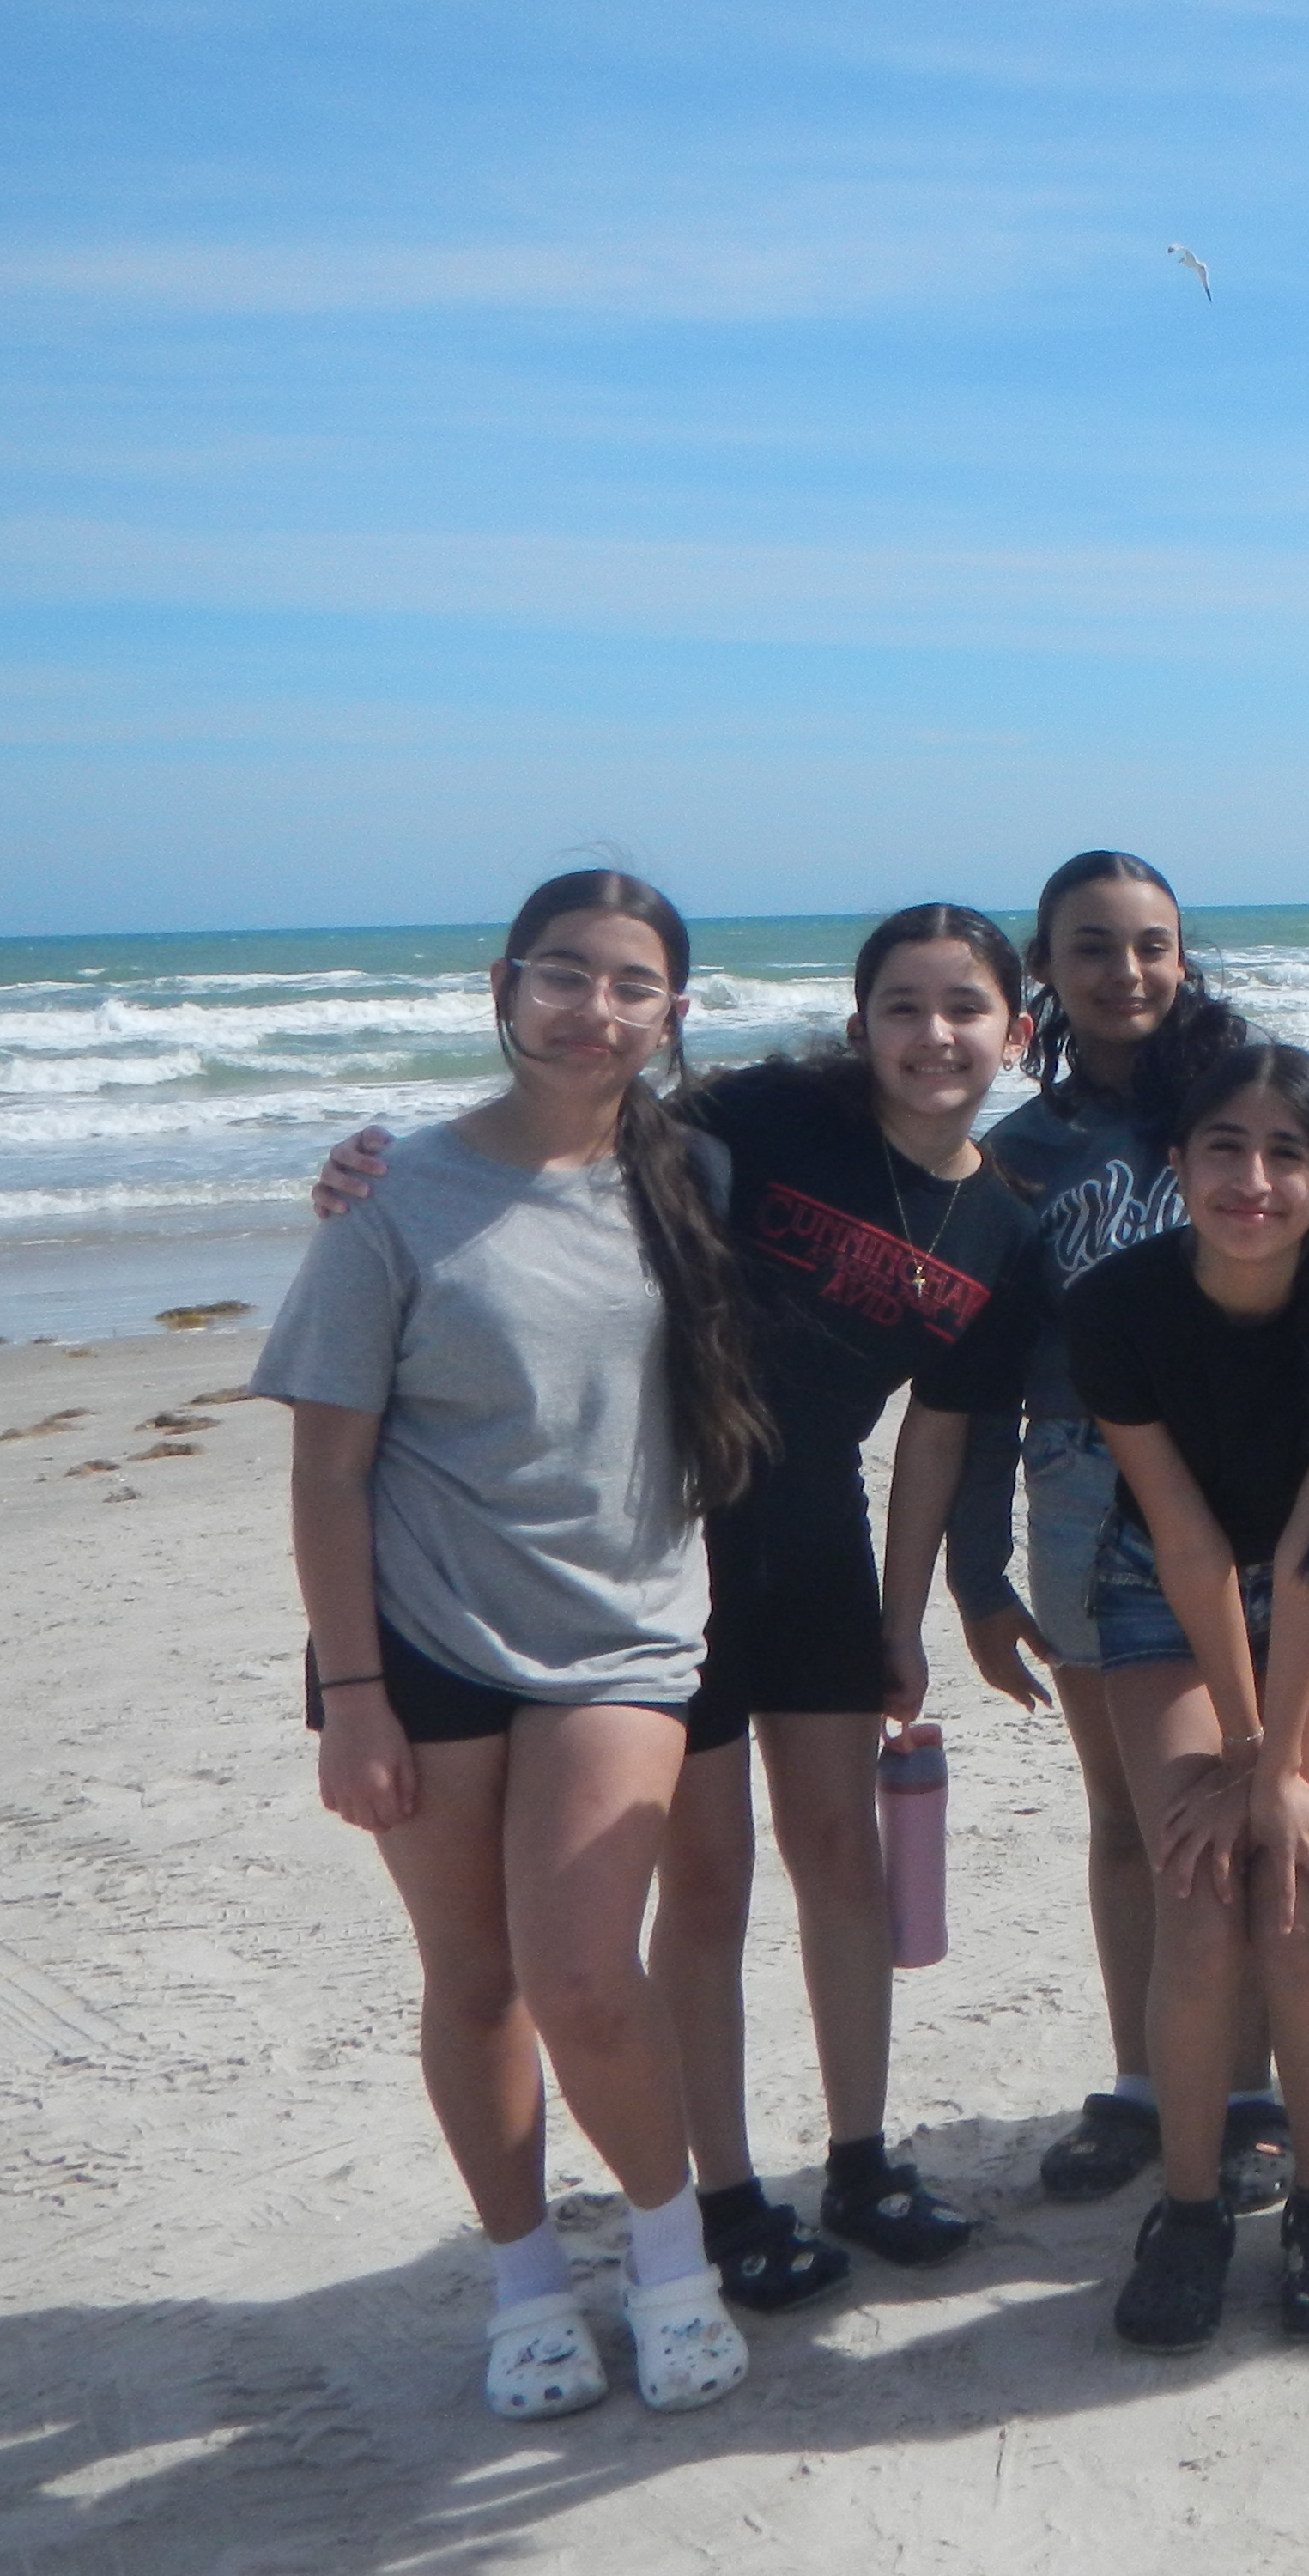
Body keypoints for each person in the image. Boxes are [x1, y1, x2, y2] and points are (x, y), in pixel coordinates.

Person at [316, 904, 1044, 2303]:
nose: (932, 1036)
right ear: (860, 1021)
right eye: (902, 1005)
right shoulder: (765, 1119)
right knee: (704, 1883)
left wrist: (904, 1621)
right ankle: (725, 2195)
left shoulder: (1007, 1228)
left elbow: (939, 1441)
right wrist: (373, 1171)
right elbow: (568, 1132)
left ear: (1013, 1032)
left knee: (841, 1857)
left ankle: (863, 2158)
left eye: (964, 1009)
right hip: (666, 1539)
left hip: (818, 1541)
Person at [258, 870, 759, 2421]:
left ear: (673, 1014)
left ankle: (671, 2262)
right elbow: (329, 1470)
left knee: (585, 1975)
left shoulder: (706, 1178)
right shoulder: (393, 1200)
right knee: (476, 1983)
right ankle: (527, 2282)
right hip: (420, 1641)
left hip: (622, 1637)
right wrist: (352, 1699)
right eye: (562, 976)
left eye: (629, 985)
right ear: (503, 985)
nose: (591, 1010)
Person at [937, 852, 1285, 2215]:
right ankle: (1147, 2082)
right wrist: (974, 1575)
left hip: (1241, 1479)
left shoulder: (1246, 1110)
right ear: (1046, 973)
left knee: (1235, 1811)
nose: (1125, 972)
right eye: (1092, 948)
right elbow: (970, 1383)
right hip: (1079, 1491)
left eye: (1150, 945)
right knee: (1127, 1820)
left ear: (1184, 960)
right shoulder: (1016, 1159)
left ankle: (1248, 2090)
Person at [1067, 1048, 1309, 2347]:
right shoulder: (1117, 1307)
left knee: (1293, 1878)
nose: (1252, 1179)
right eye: (1224, 1147)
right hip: (1167, 1591)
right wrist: (1241, 1741)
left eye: (1287, 1154)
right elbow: (1184, 1539)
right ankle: (1189, 2204)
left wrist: (1272, 1769)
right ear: (1179, 1164)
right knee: (1198, 1883)